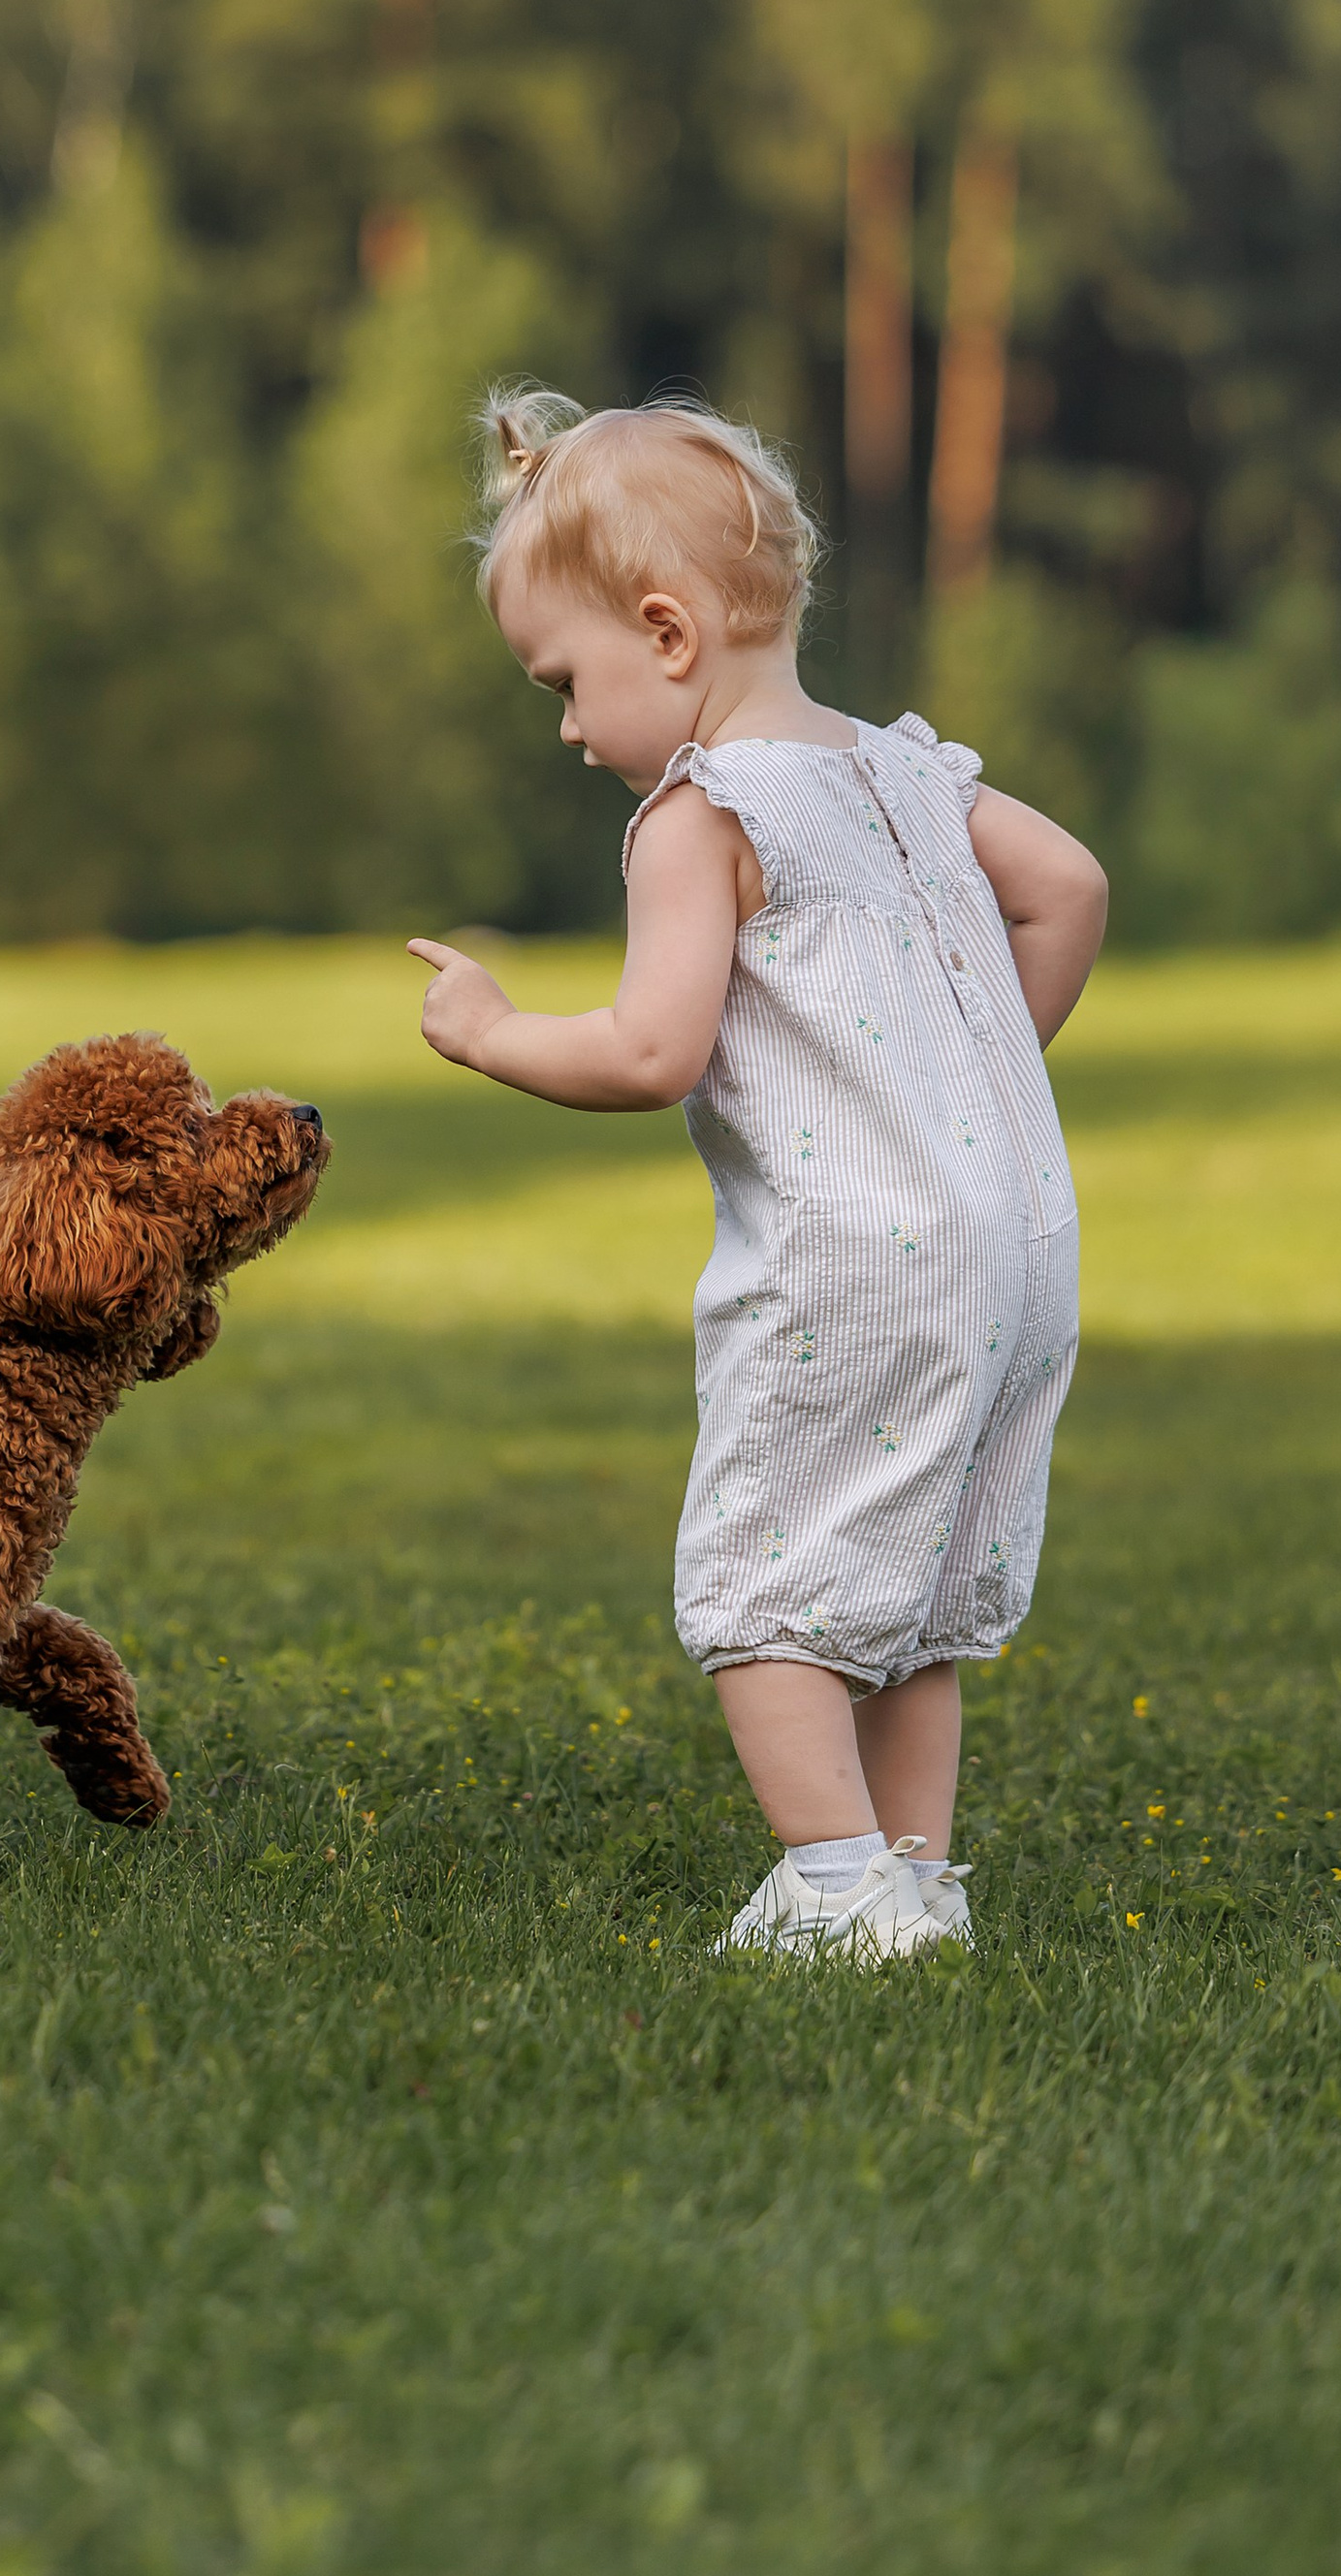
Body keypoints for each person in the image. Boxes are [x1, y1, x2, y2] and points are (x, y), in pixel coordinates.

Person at [408, 388, 1108, 1960]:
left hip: (856, 1265)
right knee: (912, 1579)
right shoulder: (906, 777)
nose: (571, 728)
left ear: (666, 634)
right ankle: (918, 1884)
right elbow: (1068, 886)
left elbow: (652, 1051)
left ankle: (838, 1882)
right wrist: (966, 1082)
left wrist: (493, 1031)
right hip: (1018, 1243)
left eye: (565, 682)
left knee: (769, 1581)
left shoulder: (699, 815)